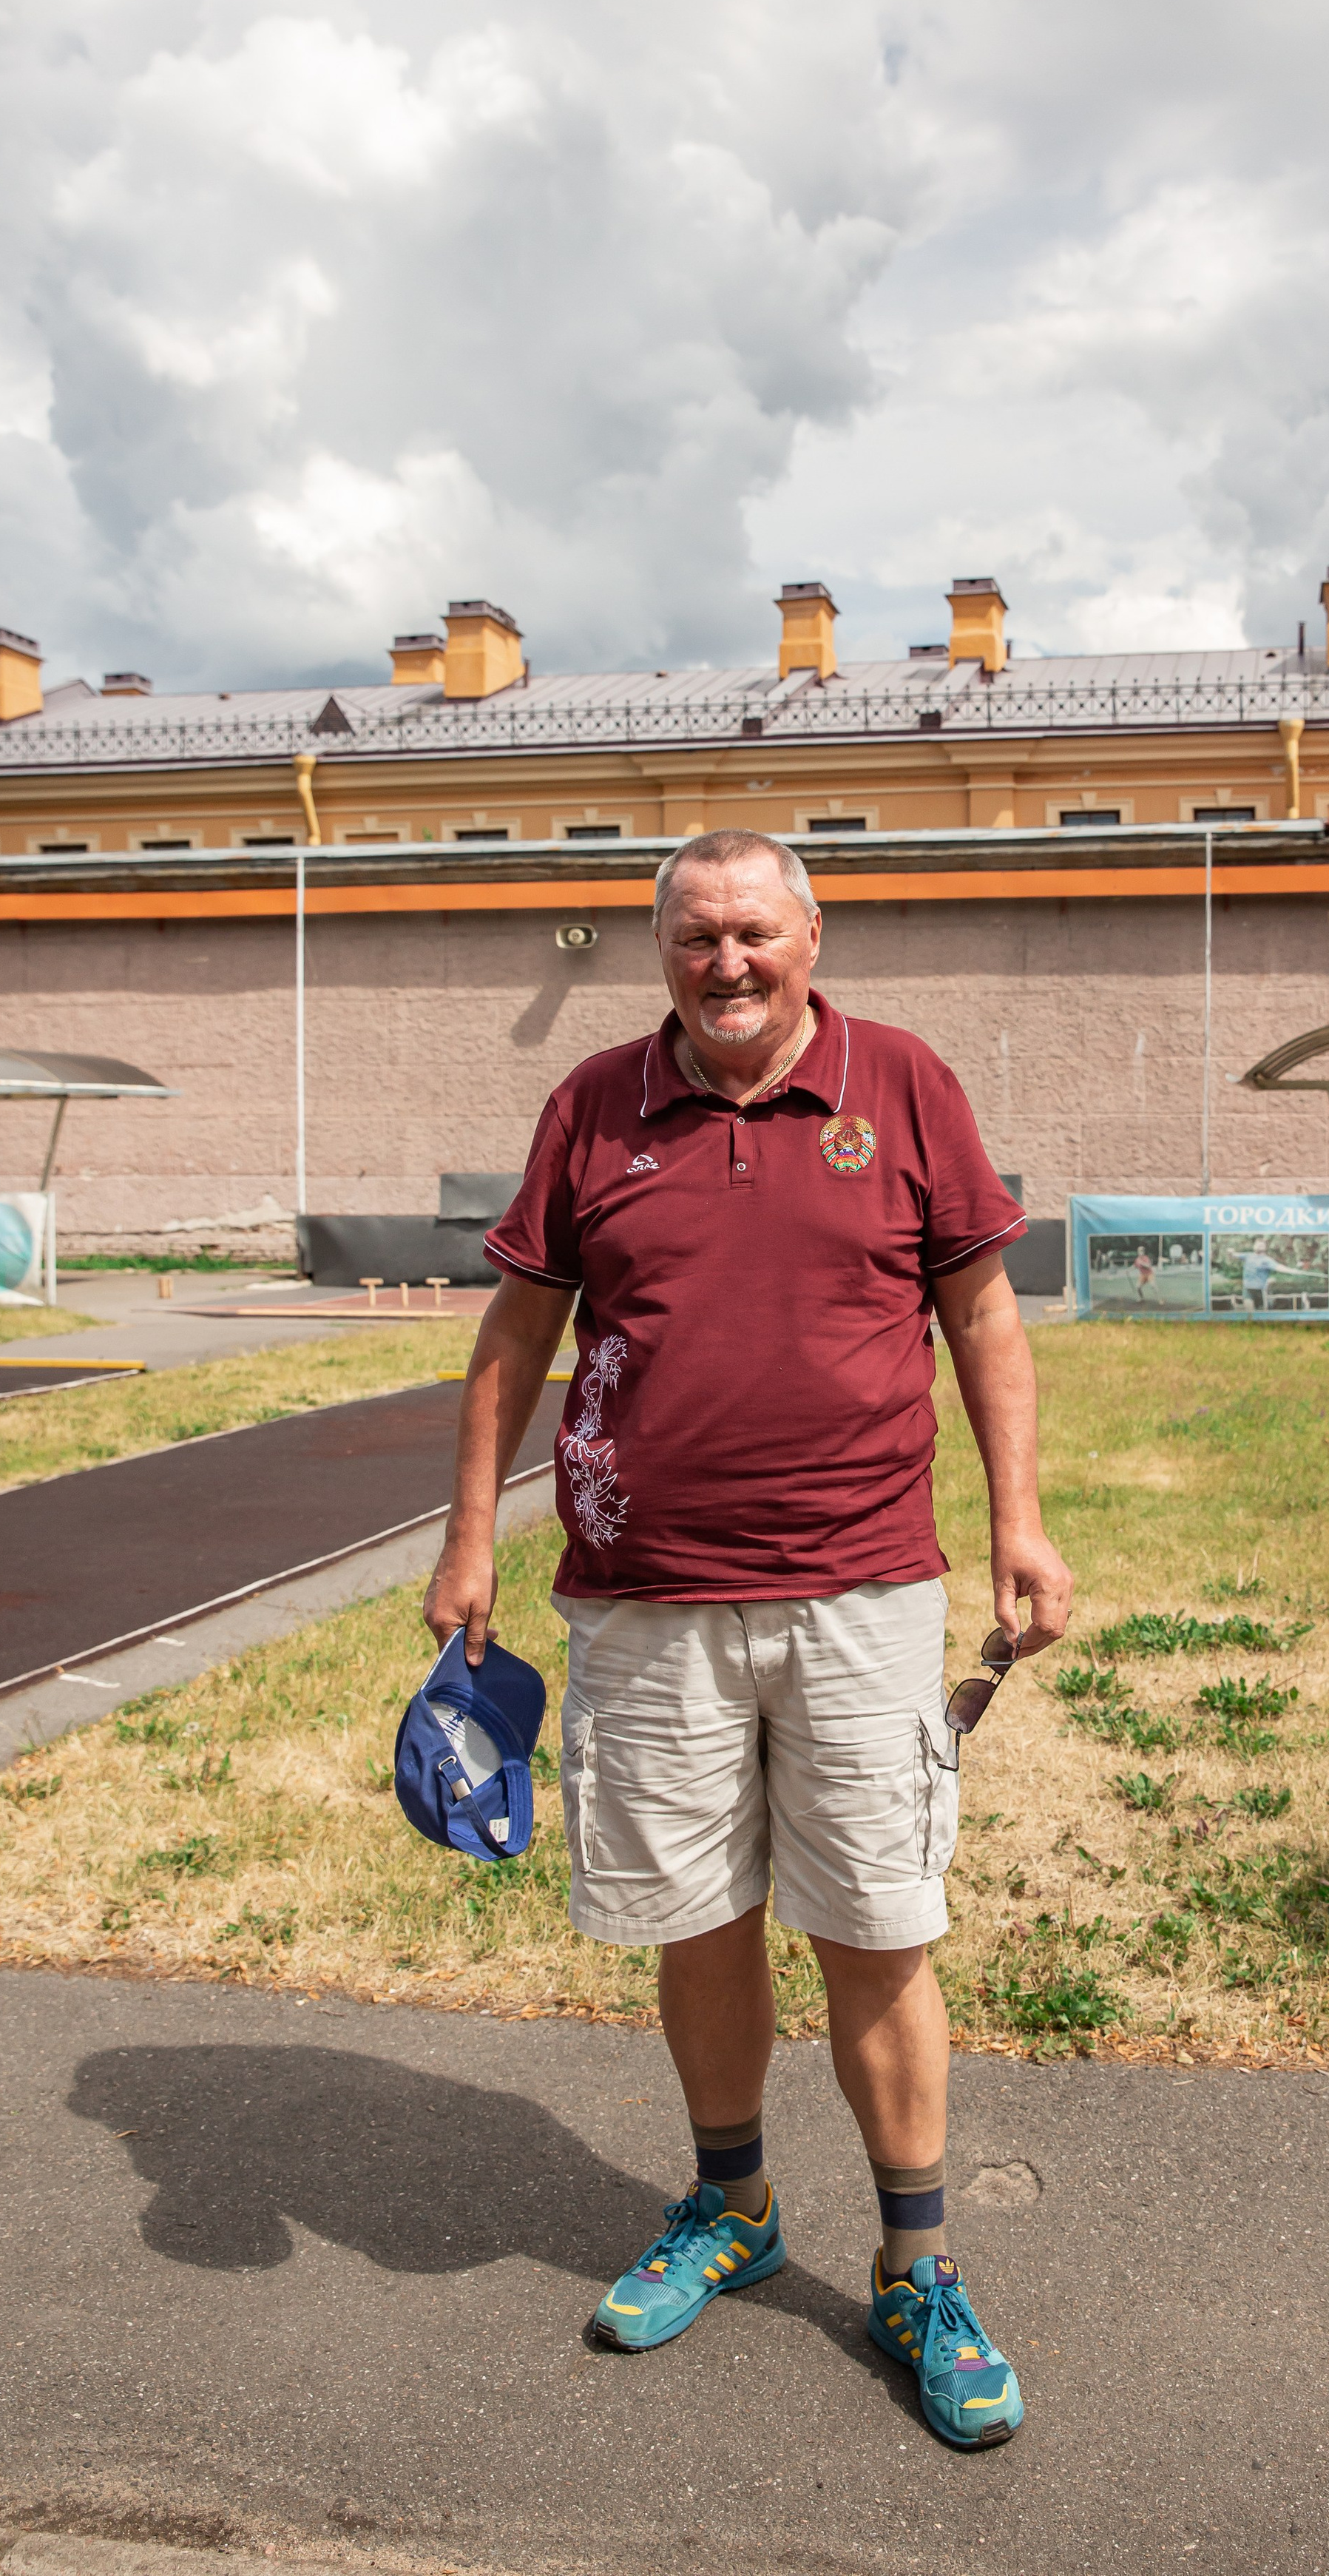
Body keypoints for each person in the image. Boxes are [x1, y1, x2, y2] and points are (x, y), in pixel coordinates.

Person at [423, 829, 1072, 2452]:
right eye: (696, 937)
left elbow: (983, 1315)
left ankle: (917, 2267)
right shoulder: (593, 1106)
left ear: (810, 936)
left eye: (754, 933)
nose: (727, 963)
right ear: (661, 951)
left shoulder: (901, 1084)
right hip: (644, 1599)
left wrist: (1020, 1522)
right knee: (696, 1917)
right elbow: (516, 1330)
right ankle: (733, 2207)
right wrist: (466, 1538)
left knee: (877, 1928)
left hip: (860, 1592)